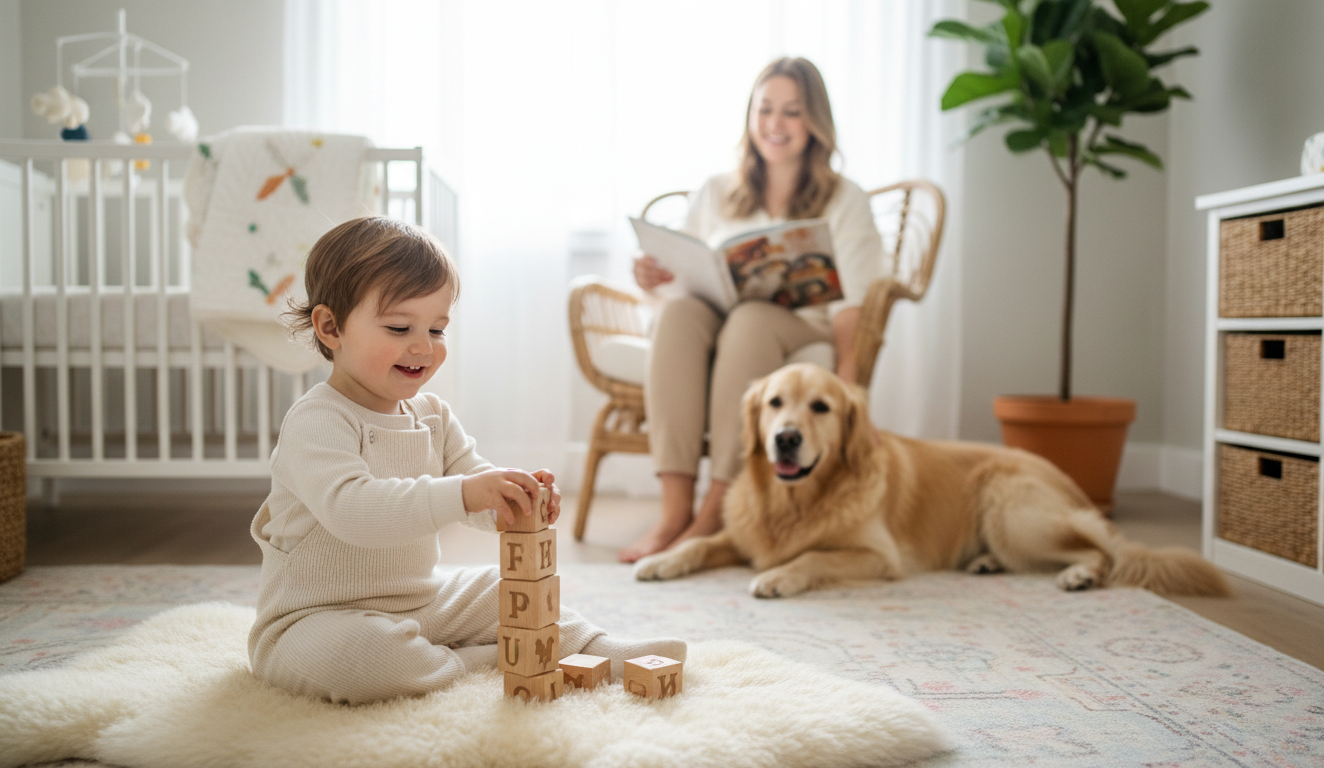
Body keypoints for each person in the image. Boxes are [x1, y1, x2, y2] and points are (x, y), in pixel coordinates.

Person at [248, 216, 684, 704]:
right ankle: (478, 660)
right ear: (330, 328)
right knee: (365, 660)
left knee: (505, 588)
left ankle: (600, 649)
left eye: (437, 329)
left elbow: (475, 485)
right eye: (399, 327)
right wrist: (464, 494)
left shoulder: (432, 415)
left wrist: (512, 497)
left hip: (419, 600)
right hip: (314, 618)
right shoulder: (317, 420)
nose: (422, 346)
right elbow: (354, 511)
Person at [619, 56, 885, 564]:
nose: (775, 125)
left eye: (791, 112)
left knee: (750, 321)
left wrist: (852, 383)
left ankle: (714, 512)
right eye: (765, 110)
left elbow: (854, 304)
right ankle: (674, 513)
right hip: (717, 313)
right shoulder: (718, 191)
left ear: (816, 123)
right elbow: (682, 278)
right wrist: (652, 278)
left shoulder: (844, 199)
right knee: (679, 318)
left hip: (800, 331)